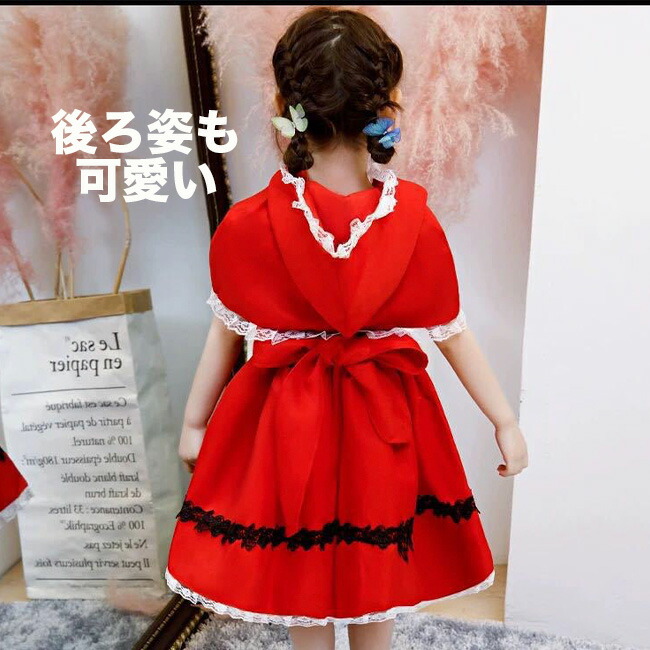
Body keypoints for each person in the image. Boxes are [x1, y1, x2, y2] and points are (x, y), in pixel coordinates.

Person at [166, 7, 528, 650]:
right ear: (387, 107)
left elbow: (225, 333)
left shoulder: (249, 224)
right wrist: (503, 418)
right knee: (373, 571)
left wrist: (196, 423)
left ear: (283, 105)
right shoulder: (412, 222)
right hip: (383, 428)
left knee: (301, 574)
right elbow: (453, 334)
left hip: (285, 425)